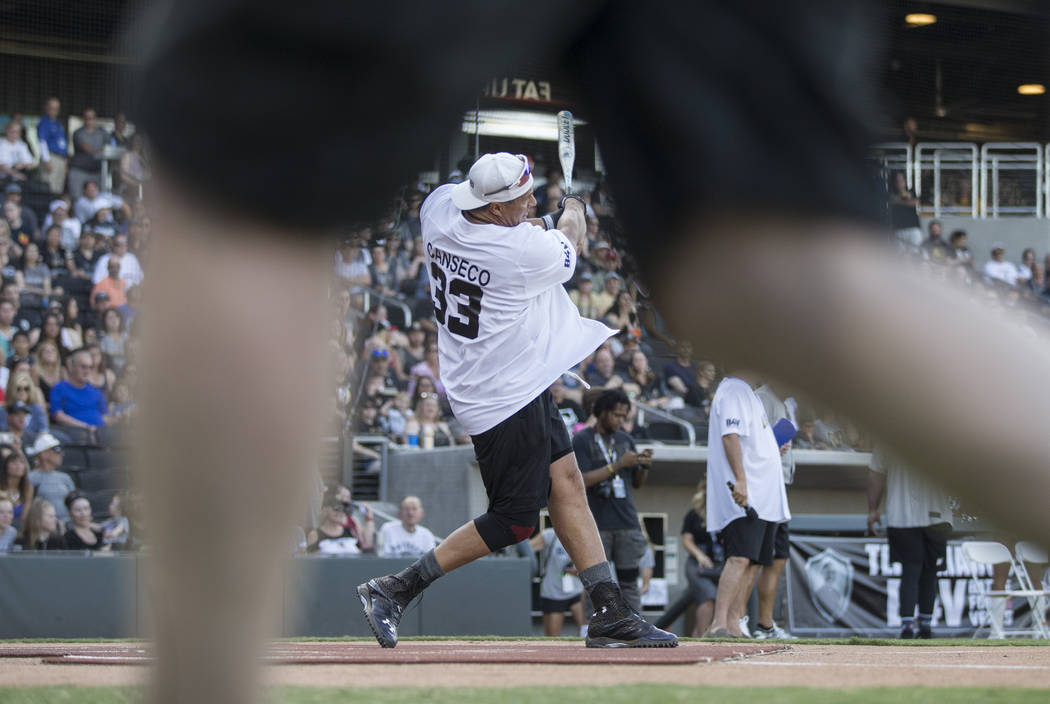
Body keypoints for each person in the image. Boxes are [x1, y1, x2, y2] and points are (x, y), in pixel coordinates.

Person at [357, 153, 675, 650]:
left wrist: (548, 216)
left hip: (509, 376)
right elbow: (570, 237)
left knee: (567, 483)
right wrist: (572, 208)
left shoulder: (439, 207)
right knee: (516, 518)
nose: (532, 202)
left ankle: (610, 610)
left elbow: (525, 227)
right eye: (523, 198)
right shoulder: (524, 253)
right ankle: (396, 589)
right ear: (495, 208)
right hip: (501, 392)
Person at [704, 371, 790, 638]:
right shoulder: (734, 390)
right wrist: (741, 480)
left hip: (766, 497)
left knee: (753, 561)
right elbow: (730, 436)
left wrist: (772, 447)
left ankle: (734, 622)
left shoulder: (748, 393)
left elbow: (747, 441)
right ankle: (718, 623)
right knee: (739, 557)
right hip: (748, 493)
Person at [573, 389, 654, 613]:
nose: (620, 421)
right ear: (602, 412)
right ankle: (596, 628)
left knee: (629, 583)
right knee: (598, 586)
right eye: (616, 415)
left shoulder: (626, 439)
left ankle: (636, 627)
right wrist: (617, 465)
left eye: (624, 416)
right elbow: (581, 480)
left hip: (627, 522)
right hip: (596, 524)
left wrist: (643, 466)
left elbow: (637, 483)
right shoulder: (582, 440)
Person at [867, 445, 953, 639]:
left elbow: (875, 474)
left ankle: (910, 625)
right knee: (927, 572)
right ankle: (924, 625)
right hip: (934, 514)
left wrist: (873, 509)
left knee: (912, 571)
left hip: (903, 514)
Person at [752, 382, 798, 639]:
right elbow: (752, 440)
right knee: (756, 559)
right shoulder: (760, 397)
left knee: (779, 557)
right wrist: (773, 445)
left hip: (780, 488)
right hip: (764, 488)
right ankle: (736, 621)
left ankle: (765, 625)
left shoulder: (787, 403)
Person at [657, 480, 720, 636]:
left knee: (722, 598)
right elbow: (686, 540)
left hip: (719, 564)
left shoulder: (722, 513)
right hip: (697, 565)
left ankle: (696, 637)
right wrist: (700, 555)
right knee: (708, 597)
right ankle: (703, 637)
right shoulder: (694, 515)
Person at [530, 526, 586, 637]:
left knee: (587, 630)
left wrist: (579, 567)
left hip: (576, 590)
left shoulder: (582, 535)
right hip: (553, 592)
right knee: (552, 637)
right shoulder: (549, 535)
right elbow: (528, 549)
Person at [49, 348, 109, 430]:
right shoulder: (59, 388)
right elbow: (58, 416)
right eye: (83, 367)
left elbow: (105, 417)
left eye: (90, 367)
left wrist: (120, 417)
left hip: (100, 433)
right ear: (72, 367)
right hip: (74, 435)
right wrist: (86, 427)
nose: (87, 371)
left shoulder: (96, 391)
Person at [28, 433, 75, 523]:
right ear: (43, 454)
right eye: (57, 450)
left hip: (68, 524)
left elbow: (74, 503)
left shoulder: (65, 478)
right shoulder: (31, 478)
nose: (62, 454)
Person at [67, 110, 107, 202]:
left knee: (99, 199)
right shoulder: (78, 132)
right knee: (77, 199)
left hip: (96, 171)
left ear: (95, 119)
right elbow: (86, 148)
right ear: (83, 119)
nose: (89, 120)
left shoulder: (101, 132)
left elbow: (110, 143)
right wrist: (100, 150)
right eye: (87, 118)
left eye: (91, 118)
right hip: (79, 169)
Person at [36, 97, 70, 195]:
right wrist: (46, 159)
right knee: (49, 187)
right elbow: (42, 142)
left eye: (56, 108)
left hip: (61, 159)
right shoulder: (44, 122)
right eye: (52, 108)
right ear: (46, 108)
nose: (54, 111)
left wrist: (66, 161)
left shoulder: (58, 124)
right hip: (51, 158)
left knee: (58, 188)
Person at [0, 450, 33, 531]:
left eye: (21, 463)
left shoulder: (28, 488)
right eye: (14, 462)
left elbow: (24, 517)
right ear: (6, 467)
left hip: (19, 528)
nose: (18, 466)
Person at [0, 121, 37, 185]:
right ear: (7, 131)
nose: (14, 134)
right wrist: (15, 174)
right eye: (12, 131)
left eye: (17, 132)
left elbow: (32, 163)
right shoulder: (2, 144)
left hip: (22, 176)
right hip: (6, 178)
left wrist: (23, 165)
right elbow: (2, 166)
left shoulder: (22, 145)